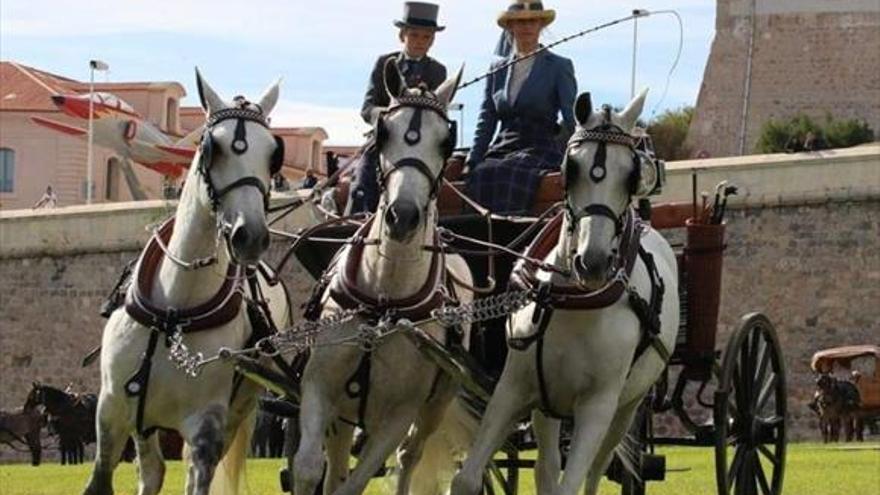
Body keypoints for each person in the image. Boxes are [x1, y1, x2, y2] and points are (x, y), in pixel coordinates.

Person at [464, 0, 577, 214]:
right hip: (503, 145)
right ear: (510, 27)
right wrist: (473, 159)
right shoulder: (497, 68)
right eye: (520, 22)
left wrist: (578, 158)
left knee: (513, 172)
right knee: (483, 172)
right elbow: (487, 118)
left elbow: (571, 116)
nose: (526, 27)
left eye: (532, 21)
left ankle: (513, 232)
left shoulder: (559, 66)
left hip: (540, 145)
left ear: (541, 25)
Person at [346, 2, 448, 214]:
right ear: (403, 36)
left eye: (426, 37)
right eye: (414, 35)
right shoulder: (384, 63)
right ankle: (356, 220)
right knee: (364, 173)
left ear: (432, 41)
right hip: (385, 137)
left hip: (421, 142)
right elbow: (367, 107)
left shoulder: (438, 71)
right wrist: (389, 120)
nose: (420, 42)